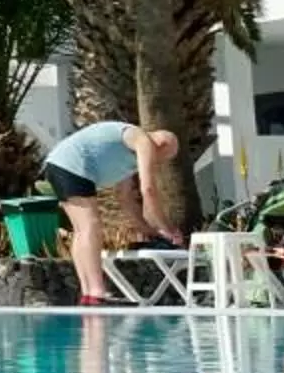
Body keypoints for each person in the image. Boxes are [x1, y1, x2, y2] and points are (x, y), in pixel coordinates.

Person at [40, 120, 183, 304]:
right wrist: (168, 229)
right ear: (160, 144)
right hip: (72, 164)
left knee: (82, 230)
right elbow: (148, 191)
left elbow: (124, 198)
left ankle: (88, 293)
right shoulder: (142, 140)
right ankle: (97, 292)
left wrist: (149, 231)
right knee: (91, 226)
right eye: (163, 157)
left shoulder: (131, 157)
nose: (159, 163)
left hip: (58, 164)